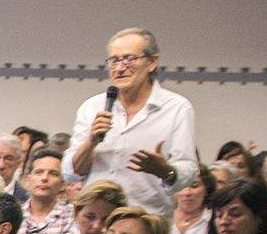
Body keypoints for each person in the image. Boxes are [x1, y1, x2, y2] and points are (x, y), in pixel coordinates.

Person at [68, 27, 198, 212]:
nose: (120, 68)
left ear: (152, 62)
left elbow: (189, 171)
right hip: (97, 223)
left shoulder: (176, 107)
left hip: (146, 221)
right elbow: (70, 173)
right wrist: (90, 143)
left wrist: (165, 170)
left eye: (130, 59)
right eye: (114, 60)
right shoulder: (91, 107)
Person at [15, 149, 75, 234]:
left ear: (63, 183)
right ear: (27, 179)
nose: (44, 178)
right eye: (39, 172)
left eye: (53, 173)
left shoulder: (72, 214)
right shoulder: (15, 214)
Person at [170, 164, 215, 234]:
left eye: (194, 186)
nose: (187, 193)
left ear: (206, 189)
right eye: (181, 186)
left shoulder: (214, 220)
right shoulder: (163, 218)